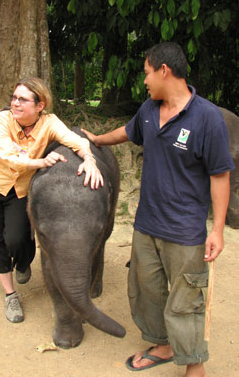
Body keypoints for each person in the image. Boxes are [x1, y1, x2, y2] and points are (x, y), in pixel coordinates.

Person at [82, 42, 235, 377]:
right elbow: (128, 131)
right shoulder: (150, 109)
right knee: (146, 291)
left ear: (164, 70)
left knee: (186, 301)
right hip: (146, 224)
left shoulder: (207, 118)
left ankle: (195, 365)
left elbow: (220, 176)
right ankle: (163, 345)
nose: (145, 81)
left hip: (184, 232)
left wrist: (218, 229)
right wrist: (97, 139)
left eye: (147, 73)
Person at [0, 76, 103, 324]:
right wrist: (40, 162)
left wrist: (89, 158)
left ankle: (23, 262)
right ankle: (10, 295)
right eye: (14, 98)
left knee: (17, 238)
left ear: (40, 105)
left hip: (19, 190)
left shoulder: (49, 123)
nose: (16, 103)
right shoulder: (2, 119)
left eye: (23, 99)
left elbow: (77, 141)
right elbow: (7, 154)